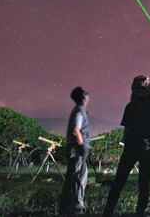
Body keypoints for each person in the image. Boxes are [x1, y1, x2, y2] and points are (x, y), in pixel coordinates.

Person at [103, 76, 150, 217]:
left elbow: (127, 129)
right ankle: (139, 213)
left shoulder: (131, 107)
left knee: (119, 181)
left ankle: (108, 212)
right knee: (144, 183)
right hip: (148, 147)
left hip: (131, 147)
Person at [59, 86, 90, 215]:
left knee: (79, 177)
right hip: (76, 149)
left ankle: (74, 204)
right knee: (75, 178)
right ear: (83, 98)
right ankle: (71, 205)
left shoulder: (80, 110)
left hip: (75, 148)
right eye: (86, 95)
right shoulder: (79, 111)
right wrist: (82, 146)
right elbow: (76, 130)